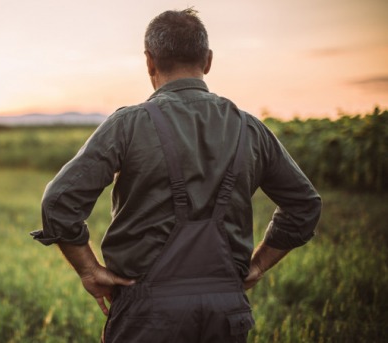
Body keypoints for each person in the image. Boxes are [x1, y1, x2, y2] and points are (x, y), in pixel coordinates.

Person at [31, 8, 321, 343]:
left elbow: (60, 201)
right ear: (208, 61)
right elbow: (304, 205)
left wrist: (89, 269)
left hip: (147, 312)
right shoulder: (249, 129)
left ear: (149, 62)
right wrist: (257, 266)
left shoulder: (129, 125)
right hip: (225, 312)